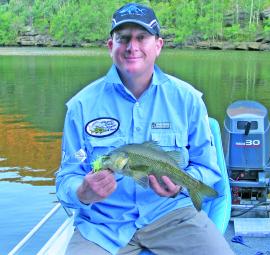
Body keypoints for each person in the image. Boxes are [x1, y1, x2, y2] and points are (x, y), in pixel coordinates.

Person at [56, 2, 234, 255]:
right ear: (111, 46)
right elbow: (66, 178)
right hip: (102, 224)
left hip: (173, 216)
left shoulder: (188, 99)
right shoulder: (80, 106)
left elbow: (208, 169)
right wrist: (82, 192)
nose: (132, 47)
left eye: (142, 37)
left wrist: (181, 186)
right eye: (123, 38)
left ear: (158, 45)